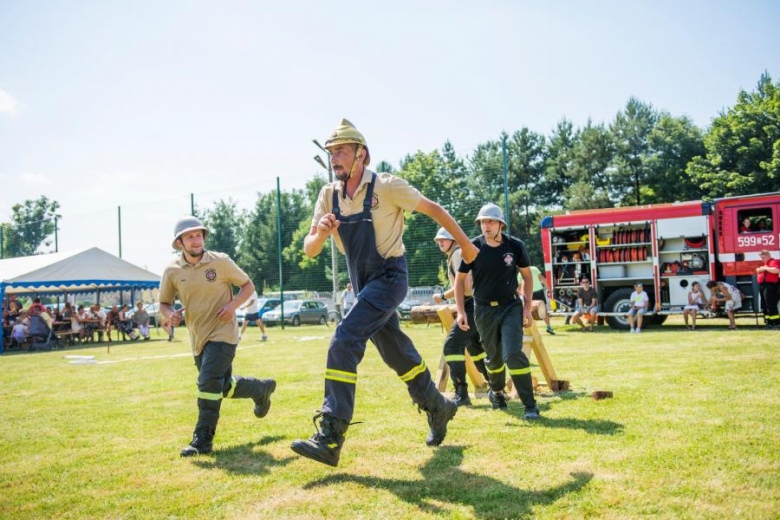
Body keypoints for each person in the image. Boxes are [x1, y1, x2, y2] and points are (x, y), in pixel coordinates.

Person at [290, 119, 477, 467]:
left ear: (361, 154)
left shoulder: (388, 186)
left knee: (344, 339)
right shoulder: (328, 195)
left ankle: (331, 435)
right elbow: (310, 248)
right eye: (331, 153)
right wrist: (321, 232)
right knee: (397, 354)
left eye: (342, 152)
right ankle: (439, 406)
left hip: (390, 277)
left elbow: (434, 209)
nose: (335, 159)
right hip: (363, 284)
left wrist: (466, 246)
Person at [160, 216, 276, 457]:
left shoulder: (221, 262)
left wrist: (233, 306)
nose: (196, 239)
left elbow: (248, 286)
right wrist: (170, 315)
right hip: (197, 337)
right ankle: (261, 389)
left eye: (199, 234)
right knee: (220, 386)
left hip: (224, 334)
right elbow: (164, 303)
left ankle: (202, 440)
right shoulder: (172, 270)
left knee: (207, 382)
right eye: (190, 236)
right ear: (180, 242)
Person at [455, 203, 541, 420]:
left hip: (511, 306)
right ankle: (498, 393)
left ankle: (530, 405)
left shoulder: (515, 246)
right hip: (483, 310)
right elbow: (460, 280)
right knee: (493, 359)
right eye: (483, 222)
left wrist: (527, 308)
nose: (486, 225)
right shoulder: (472, 247)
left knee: (512, 354)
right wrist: (460, 311)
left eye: (491, 221)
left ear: (501, 224)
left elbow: (528, 277)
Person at [432, 227, 490, 406]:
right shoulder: (456, 254)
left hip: (471, 305)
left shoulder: (457, 254)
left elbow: (465, 286)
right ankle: (497, 386)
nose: (440, 242)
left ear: (454, 240)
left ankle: (461, 394)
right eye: (438, 240)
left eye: (444, 239)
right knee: (475, 348)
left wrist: (444, 297)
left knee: (451, 346)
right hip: (475, 305)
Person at [520, 264, 555, 335]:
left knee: (530, 311)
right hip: (539, 292)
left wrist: (522, 295)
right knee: (543, 311)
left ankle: (531, 329)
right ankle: (549, 327)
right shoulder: (534, 268)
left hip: (528, 292)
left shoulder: (520, 273)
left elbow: (520, 286)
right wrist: (549, 290)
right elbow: (543, 279)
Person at [756, 249, 780, 329]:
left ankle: (776, 323)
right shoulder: (766, 264)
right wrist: (761, 269)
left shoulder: (773, 262)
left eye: (763, 257)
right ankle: (769, 322)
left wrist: (765, 268)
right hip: (763, 286)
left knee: (771, 304)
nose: (762, 259)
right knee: (765, 305)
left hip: (770, 286)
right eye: (761, 258)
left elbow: (777, 270)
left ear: (768, 255)